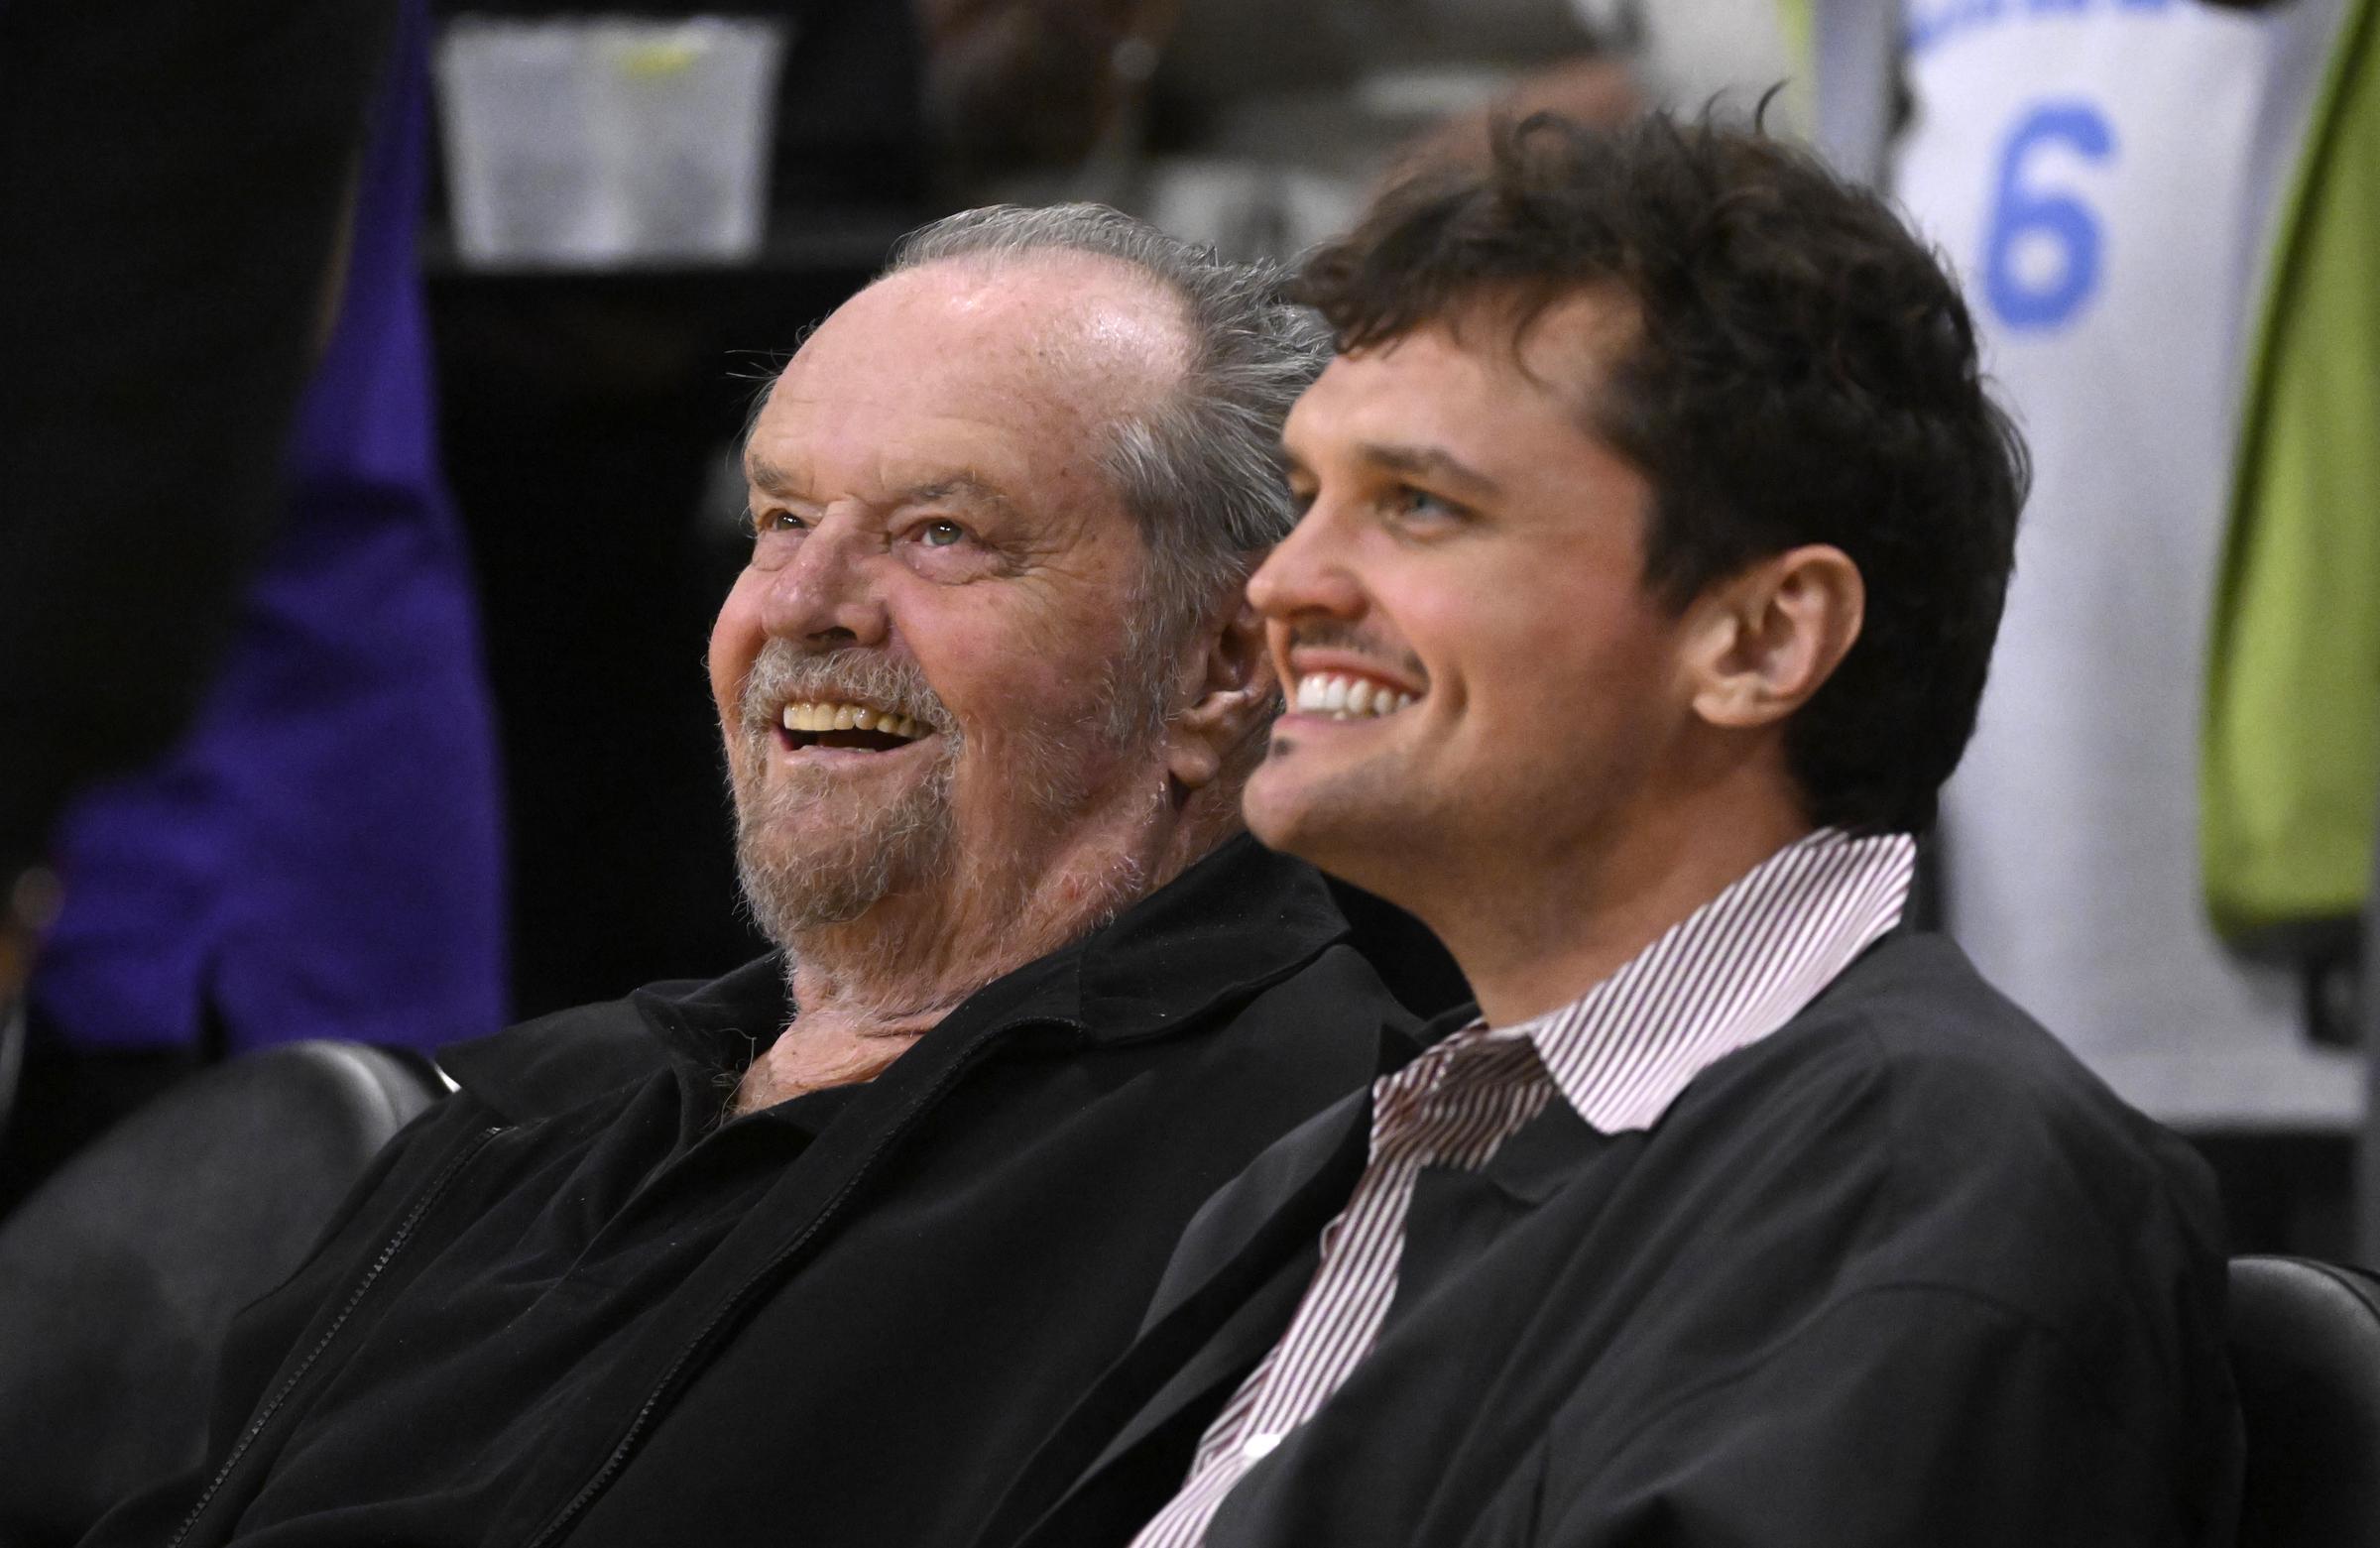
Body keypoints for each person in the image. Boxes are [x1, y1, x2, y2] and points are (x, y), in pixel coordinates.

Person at [983, 113, 2242, 1548]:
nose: (1287, 580)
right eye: (1309, 494)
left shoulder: (1926, 1174)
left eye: (1417, 504)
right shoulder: (1321, 1173)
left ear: (1761, 640)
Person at [83, 206, 1417, 1548]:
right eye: (778, 518)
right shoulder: (526, 1112)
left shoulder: (1324, 1169)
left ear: (1222, 665)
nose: (801, 601)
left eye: (942, 531)